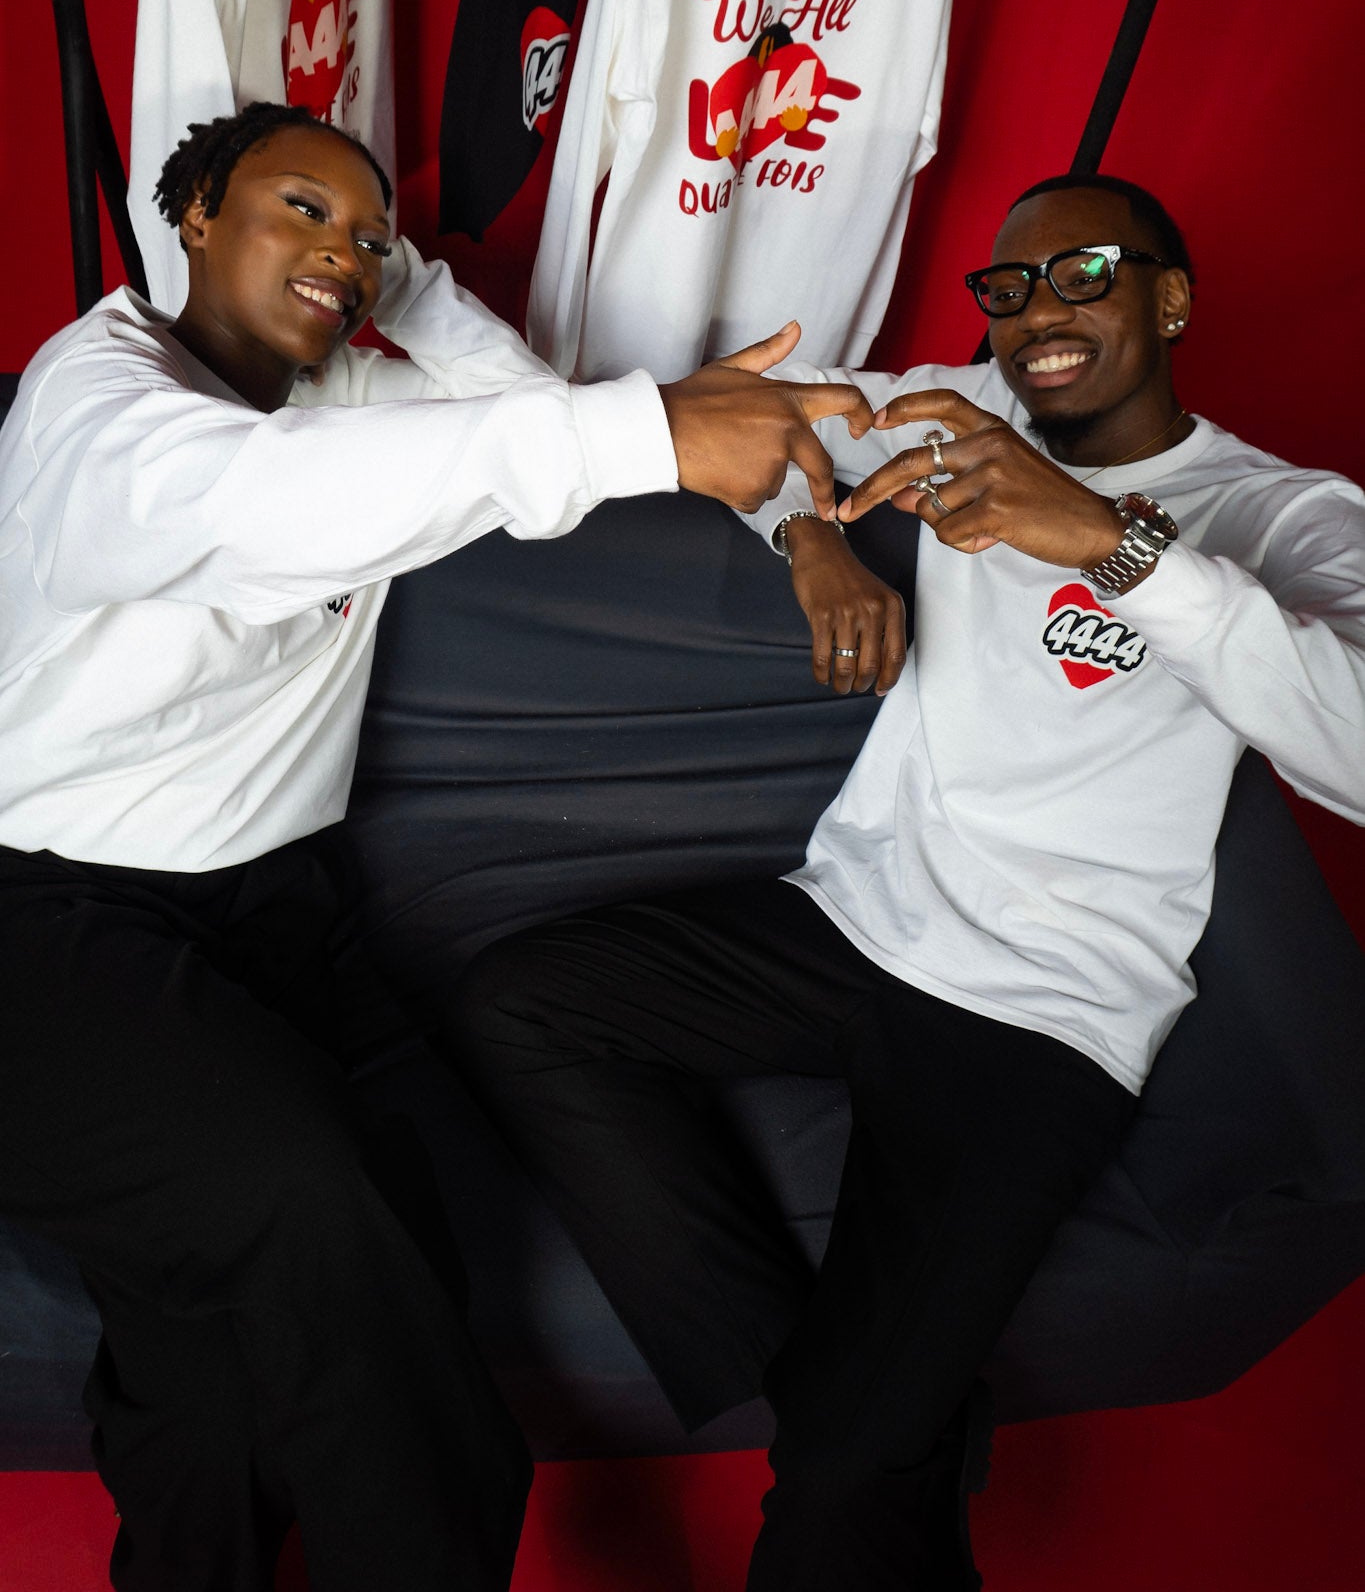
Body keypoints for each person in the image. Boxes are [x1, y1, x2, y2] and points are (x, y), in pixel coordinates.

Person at [0, 100, 874, 1592]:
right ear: (192, 214)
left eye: (369, 236)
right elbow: (251, 501)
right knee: (322, 1206)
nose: (342, 254)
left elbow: (516, 413)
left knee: (209, 1361)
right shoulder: (100, 407)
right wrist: (643, 427)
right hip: (46, 924)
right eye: (299, 209)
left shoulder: (350, 395)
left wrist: (799, 524)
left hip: (273, 914)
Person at [447, 173, 1365, 1591]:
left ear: (1171, 299)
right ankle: (856, 1402)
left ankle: (864, 1427)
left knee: (832, 1508)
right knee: (521, 1004)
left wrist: (1110, 544)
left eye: (1084, 274)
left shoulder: (1277, 512)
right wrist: (810, 539)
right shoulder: (957, 414)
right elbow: (756, 422)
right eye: (1009, 288)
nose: (1039, 313)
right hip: (857, 915)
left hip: (1041, 1009)